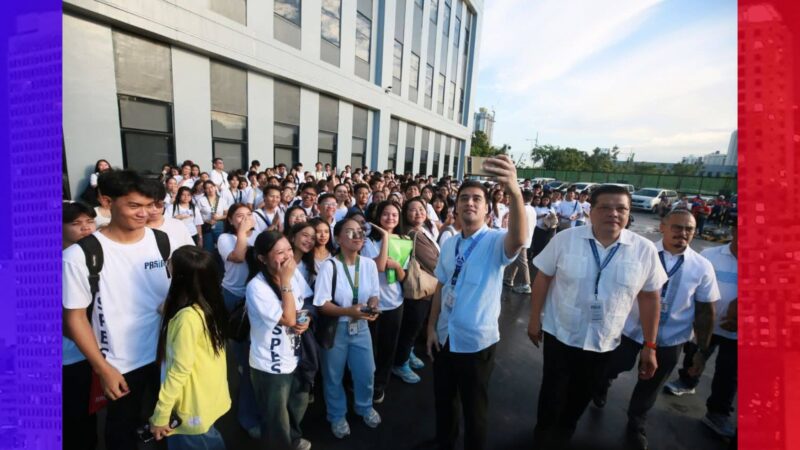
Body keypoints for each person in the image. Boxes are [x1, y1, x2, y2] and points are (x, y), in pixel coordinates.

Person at [526, 184, 668, 449]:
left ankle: (565, 430)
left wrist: (650, 345)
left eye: (621, 208)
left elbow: (650, 297)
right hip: (561, 333)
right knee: (552, 393)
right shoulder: (565, 239)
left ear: (628, 213)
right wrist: (535, 319)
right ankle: (543, 433)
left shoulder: (644, 250)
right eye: (605, 207)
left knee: (582, 394)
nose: (613, 213)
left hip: (604, 340)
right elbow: (543, 277)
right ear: (591, 211)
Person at [63, 170, 174, 450]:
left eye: (150, 205)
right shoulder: (80, 255)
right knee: (122, 433)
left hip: (164, 357)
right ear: (106, 201)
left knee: (163, 429)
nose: (144, 213)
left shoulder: (161, 241)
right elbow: (75, 317)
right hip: (120, 365)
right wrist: (103, 369)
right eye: (134, 205)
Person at [593, 209, 719, 449]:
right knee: (613, 365)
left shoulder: (702, 267)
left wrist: (701, 352)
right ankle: (602, 384)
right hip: (630, 331)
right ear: (662, 227)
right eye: (677, 227)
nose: (683, 233)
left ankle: (636, 422)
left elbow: (705, 311)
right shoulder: (640, 253)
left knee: (652, 383)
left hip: (670, 339)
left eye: (689, 229)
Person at [426, 155, 527, 450]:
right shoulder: (449, 243)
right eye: (464, 198)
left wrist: (514, 191)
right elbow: (441, 286)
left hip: (476, 343)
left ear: (486, 208)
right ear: (456, 207)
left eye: (476, 199)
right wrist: (431, 327)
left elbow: (519, 238)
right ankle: (444, 442)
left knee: (475, 409)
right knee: (444, 400)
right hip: (445, 336)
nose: (469, 203)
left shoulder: (496, 241)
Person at [148, 246, 230, 449]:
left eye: (171, 262)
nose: (167, 264)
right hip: (208, 395)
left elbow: (179, 370)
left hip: (191, 406)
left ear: (181, 277)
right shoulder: (210, 303)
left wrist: (161, 413)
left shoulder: (187, 319)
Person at [664, 224, 738, 439]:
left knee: (729, 371)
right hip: (706, 323)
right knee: (694, 354)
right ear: (735, 231)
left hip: (739, 329)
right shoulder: (710, 255)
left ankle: (717, 413)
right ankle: (687, 382)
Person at [313, 218, 382, 439]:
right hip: (337, 329)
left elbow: (374, 294)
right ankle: (336, 415)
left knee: (366, 371)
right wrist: (348, 311)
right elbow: (321, 304)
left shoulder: (369, 264)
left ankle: (364, 406)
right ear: (338, 238)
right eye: (350, 232)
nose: (357, 236)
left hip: (361, 326)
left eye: (360, 231)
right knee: (333, 376)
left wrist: (372, 306)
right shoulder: (330, 266)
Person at [247, 231, 314, 450]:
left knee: (297, 403)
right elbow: (288, 319)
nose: (287, 257)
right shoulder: (257, 287)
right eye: (279, 252)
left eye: (289, 250)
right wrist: (285, 280)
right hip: (271, 364)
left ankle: (293, 438)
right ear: (262, 258)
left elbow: (307, 301)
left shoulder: (294, 274)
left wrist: (307, 319)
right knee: (276, 419)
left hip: (296, 356)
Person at [217, 203, 262, 438]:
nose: (245, 219)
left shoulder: (259, 234)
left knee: (254, 354)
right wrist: (243, 232)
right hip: (235, 297)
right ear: (231, 220)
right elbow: (239, 256)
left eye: (248, 215)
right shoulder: (225, 238)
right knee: (243, 347)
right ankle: (247, 417)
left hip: (258, 296)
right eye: (239, 216)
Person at [361, 201, 407, 403]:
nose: (390, 218)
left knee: (388, 347)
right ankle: (366, 382)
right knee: (370, 348)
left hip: (395, 302)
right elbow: (379, 267)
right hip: (373, 303)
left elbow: (403, 277)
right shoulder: (369, 241)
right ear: (378, 216)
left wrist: (397, 266)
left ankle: (380, 385)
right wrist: (386, 237)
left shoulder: (404, 240)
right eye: (386, 214)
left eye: (394, 214)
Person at [62, 202, 99, 450]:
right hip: (69, 356)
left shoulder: (95, 257)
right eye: (76, 223)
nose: (86, 228)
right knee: (73, 416)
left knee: (88, 413)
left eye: (90, 221)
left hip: (90, 352)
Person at [394, 197, 441, 384]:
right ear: (405, 214)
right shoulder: (413, 234)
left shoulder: (423, 230)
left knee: (415, 326)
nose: (418, 213)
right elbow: (433, 262)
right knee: (411, 327)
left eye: (421, 209)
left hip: (427, 288)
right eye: (412, 210)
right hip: (419, 290)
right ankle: (400, 363)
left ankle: (408, 353)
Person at [144, 180, 195, 249]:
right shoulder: (135, 230)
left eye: (158, 204)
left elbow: (191, 250)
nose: (154, 209)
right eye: (148, 205)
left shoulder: (178, 225)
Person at [504, 189, 537, 294]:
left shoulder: (521, 209)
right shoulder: (532, 209)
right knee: (515, 259)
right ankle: (509, 278)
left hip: (519, 238)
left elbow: (515, 224)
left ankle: (527, 284)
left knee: (522, 262)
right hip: (527, 238)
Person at [198, 181, 230, 251]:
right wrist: (206, 220)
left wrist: (219, 217)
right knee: (208, 248)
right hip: (206, 226)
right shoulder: (201, 200)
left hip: (219, 225)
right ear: (205, 190)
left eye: (211, 187)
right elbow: (197, 216)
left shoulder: (222, 200)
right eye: (207, 188)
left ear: (215, 187)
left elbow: (227, 215)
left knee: (222, 247)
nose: (210, 190)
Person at [530, 195, 556, 261]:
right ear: (541, 200)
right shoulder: (537, 208)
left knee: (544, 244)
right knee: (537, 243)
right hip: (538, 228)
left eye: (547, 200)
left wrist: (551, 217)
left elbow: (554, 218)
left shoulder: (551, 208)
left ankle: (541, 258)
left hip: (547, 229)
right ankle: (534, 257)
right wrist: (542, 216)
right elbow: (534, 217)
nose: (545, 201)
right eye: (544, 200)